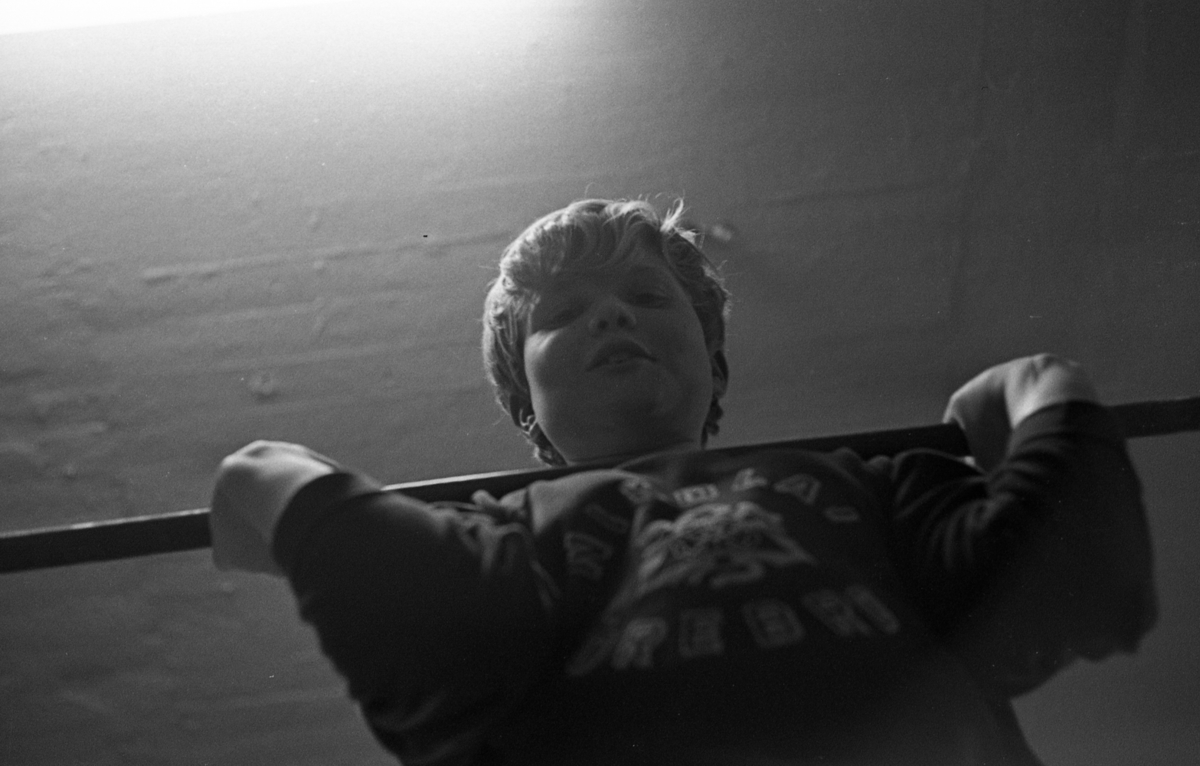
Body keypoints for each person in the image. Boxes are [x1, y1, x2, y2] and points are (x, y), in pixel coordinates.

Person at [210, 199, 1157, 765]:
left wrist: (1047, 385)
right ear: (526, 406)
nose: (613, 317)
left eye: (646, 297)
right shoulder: (511, 530)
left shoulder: (869, 484)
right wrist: (261, 474)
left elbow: (1070, 580)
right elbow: (409, 625)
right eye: (565, 312)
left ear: (715, 362)